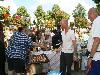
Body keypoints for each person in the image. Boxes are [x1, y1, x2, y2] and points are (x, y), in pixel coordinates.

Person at [87, 7, 100, 75]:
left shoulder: (97, 21)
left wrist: (90, 57)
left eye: (89, 15)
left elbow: (97, 40)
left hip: (96, 57)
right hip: (96, 56)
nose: (88, 17)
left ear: (93, 13)